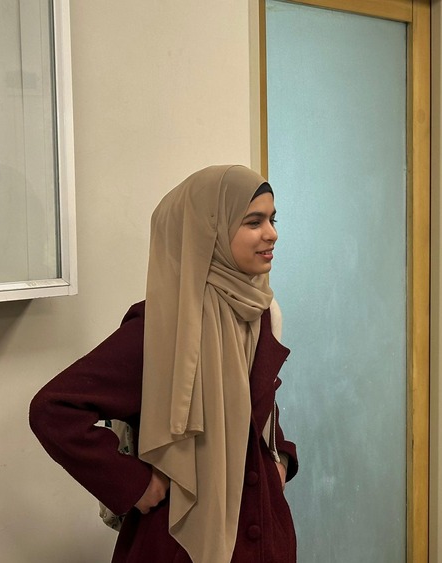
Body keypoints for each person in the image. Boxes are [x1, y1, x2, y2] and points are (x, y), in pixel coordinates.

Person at [30, 165, 298, 563]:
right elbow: (53, 408)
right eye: (253, 221)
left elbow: (254, 404)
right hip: (180, 540)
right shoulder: (162, 326)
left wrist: (281, 457)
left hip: (262, 536)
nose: (271, 233)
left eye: (273, 219)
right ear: (209, 230)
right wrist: (133, 484)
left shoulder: (258, 310)